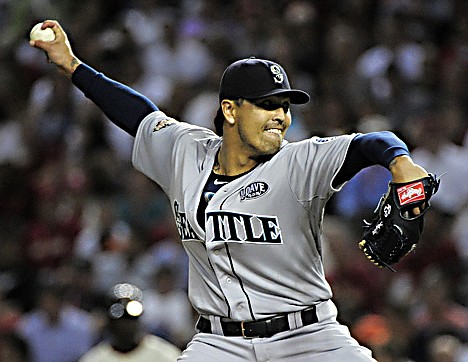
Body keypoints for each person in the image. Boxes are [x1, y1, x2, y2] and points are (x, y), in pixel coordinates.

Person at [30, 20, 431, 361]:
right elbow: (137, 114)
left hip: (308, 338)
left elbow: (371, 142)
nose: (281, 117)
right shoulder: (185, 150)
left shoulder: (300, 162)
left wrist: (401, 164)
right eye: (266, 104)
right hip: (220, 344)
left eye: (285, 106)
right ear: (230, 110)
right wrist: (72, 66)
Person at [79, 283, 182, 362]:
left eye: (130, 321)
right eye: (120, 322)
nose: (125, 326)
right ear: (109, 323)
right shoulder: (94, 359)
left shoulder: (166, 356)